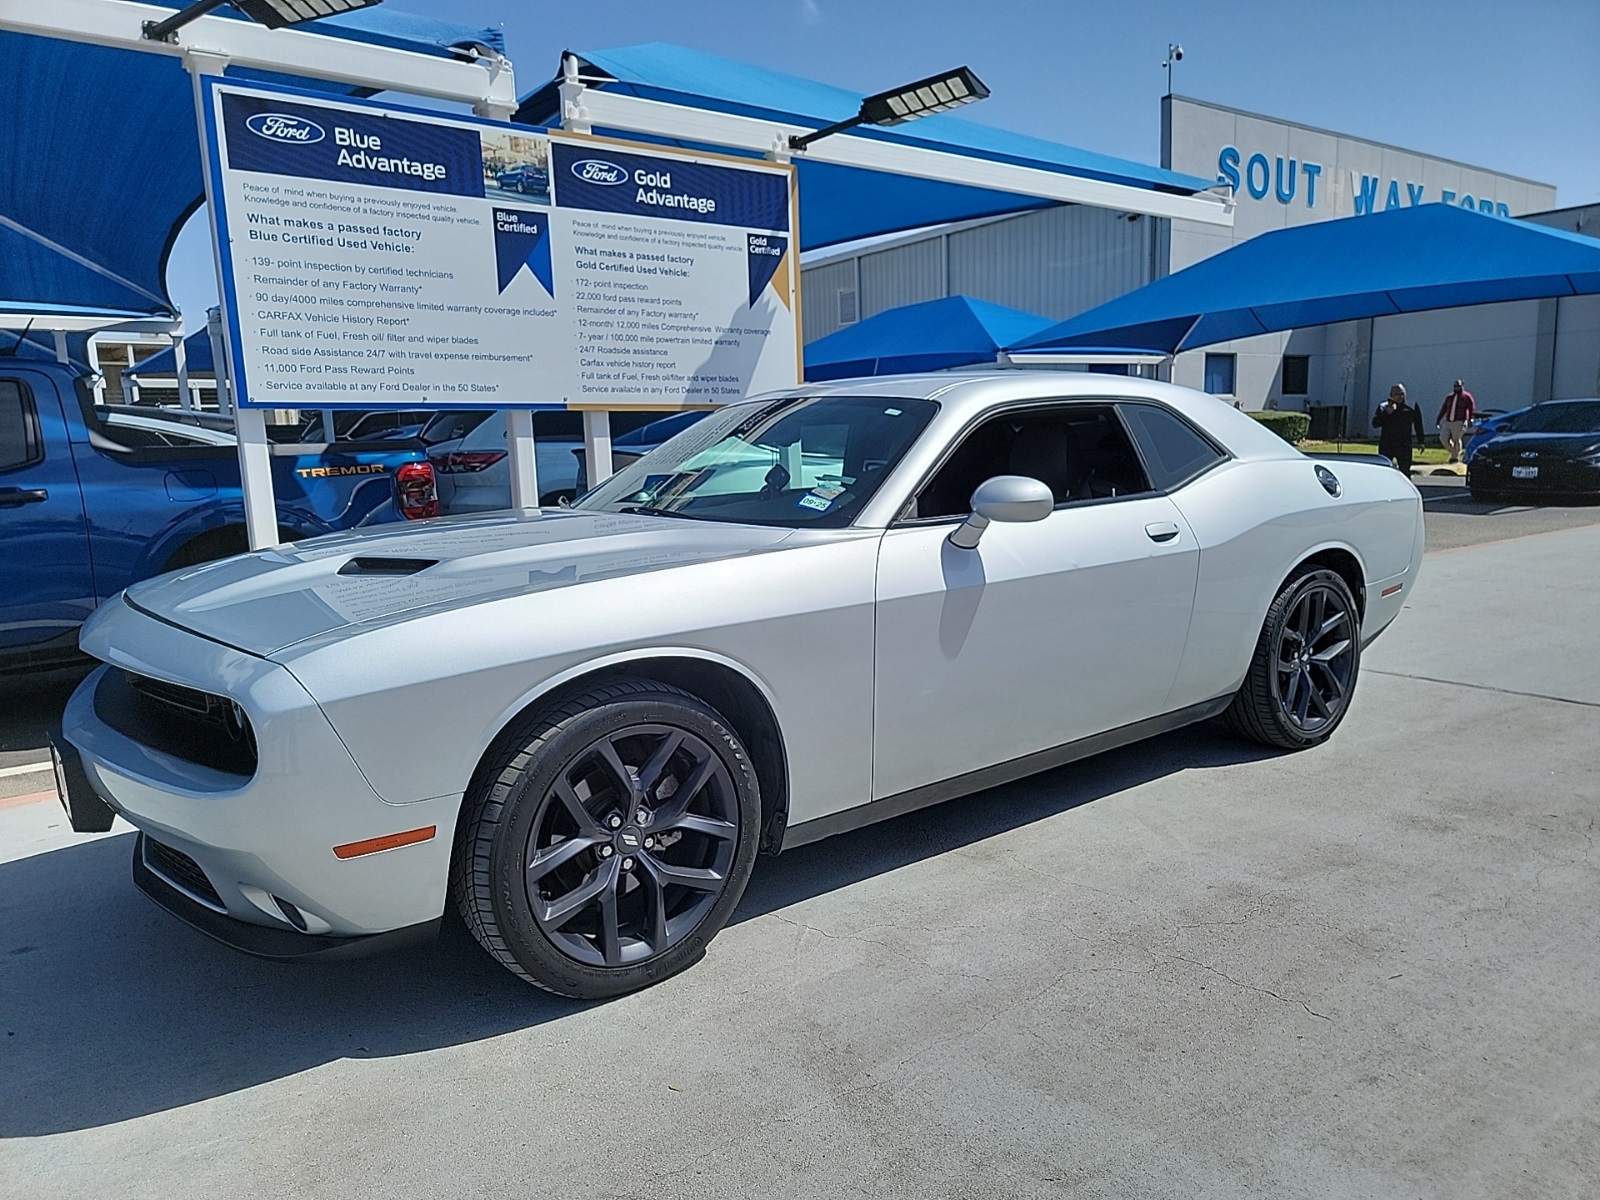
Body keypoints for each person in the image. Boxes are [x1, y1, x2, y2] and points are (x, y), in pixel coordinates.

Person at [1373, 383, 1425, 474]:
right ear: (1391, 395)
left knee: (1405, 471)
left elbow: (1418, 424)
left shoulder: (1411, 406)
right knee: (1384, 470)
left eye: (1402, 394)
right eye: (1397, 394)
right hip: (1387, 443)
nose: (1400, 397)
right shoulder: (1383, 406)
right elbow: (1375, 423)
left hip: (1404, 444)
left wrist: (1421, 441)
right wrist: (1386, 413)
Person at [1436, 379, 1476, 463]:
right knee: (1443, 438)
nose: (1456, 388)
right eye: (1455, 386)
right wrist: (1438, 419)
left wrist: (1470, 419)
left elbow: (1471, 408)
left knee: (1456, 439)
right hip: (1448, 421)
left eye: (1458, 386)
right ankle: (1455, 453)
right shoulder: (1449, 397)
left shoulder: (1466, 397)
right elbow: (1444, 408)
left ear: (1462, 386)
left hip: (1459, 421)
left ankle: (1455, 457)